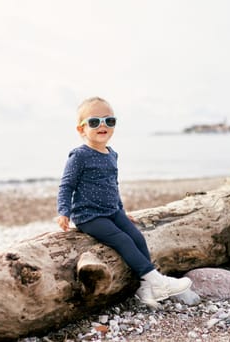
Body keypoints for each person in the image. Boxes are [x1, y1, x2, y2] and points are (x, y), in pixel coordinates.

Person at [56, 96, 192, 308]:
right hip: (89, 215)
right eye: (94, 122)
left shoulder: (112, 154)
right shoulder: (79, 155)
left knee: (137, 236)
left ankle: (145, 288)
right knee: (122, 240)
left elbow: (112, 185)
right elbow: (66, 185)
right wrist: (64, 211)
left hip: (112, 210)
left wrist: (121, 209)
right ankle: (157, 281)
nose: (103, 126)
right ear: (81, 129)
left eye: (109, 121)